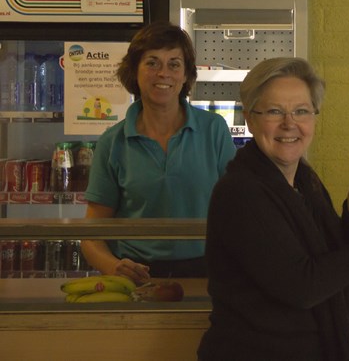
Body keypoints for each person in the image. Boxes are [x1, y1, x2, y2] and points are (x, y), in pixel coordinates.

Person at [197, 57, 349, 361]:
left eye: (301, 111)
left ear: (314, 118)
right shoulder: (241, 192)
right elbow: (302, 285)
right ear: (250, 119)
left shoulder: (305, 183)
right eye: (275, 111)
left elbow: (339, 272)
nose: (289, 123)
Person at [82, 22, 236, 284]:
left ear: (186, 75)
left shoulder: (214, 130)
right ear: (134, 71)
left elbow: (238, 211)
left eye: (174, 64)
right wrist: (114, 267)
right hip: (136, 274)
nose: (163, 73)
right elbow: (92, 235)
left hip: (208, 271)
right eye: (152, 63)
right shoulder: (113, 141)